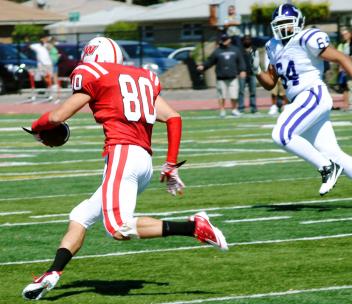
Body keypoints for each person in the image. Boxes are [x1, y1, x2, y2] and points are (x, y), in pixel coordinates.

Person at [22, 37, 228, 301]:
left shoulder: (94, 73)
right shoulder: (141, 77)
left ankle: (193, 226)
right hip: (143, 161)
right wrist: (171, 163)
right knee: (82, 214)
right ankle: (52, 274)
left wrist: (36, 128)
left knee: (119, 228)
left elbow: (56, 117)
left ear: (92, 58)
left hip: (122, 153)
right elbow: (174, 117)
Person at [252, 4, 352, 210]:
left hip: (312, 94)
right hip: (300, 100)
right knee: (332, 151)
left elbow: (341, 57)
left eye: (287, 24)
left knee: (281, 134)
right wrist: (256, 70)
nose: (284, 29)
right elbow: (271, 82)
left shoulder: (306, 37)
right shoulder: (273, 45)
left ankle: (326, 167)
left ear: (298, 23)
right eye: (280, 25)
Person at [197, 33, 246, 117]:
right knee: (221, 95)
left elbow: (240, 61)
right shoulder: (217, 51)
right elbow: (210, 61)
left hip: (233, 77)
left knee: (234, 95)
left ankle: (234, 109)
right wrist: (203, 66)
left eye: (226, 39)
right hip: (221, 78)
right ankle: (222, 110)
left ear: (229, 40)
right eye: (223, 40)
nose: (225, 41)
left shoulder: (235, 50)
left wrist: (242, 70)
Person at [238, 35, 258, 113]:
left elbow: (257, 60)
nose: (247, 41)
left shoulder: (254, 49)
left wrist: (256, 70)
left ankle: (253, 107)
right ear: (243, 41)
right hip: (242, 73)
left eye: (249, 39)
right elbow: (238, 61)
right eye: (245, 39)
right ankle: (241, 107)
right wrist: (239, 71)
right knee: (241, 91)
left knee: (253, 91)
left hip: (252, 73)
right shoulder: (240, 50)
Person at [336, 27, 351, 108]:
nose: (344, 36)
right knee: (344, 88)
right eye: (343, 35)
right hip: (343, 70)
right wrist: (340, 69)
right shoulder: (341, 45)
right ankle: (346, 105)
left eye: (346, 34)